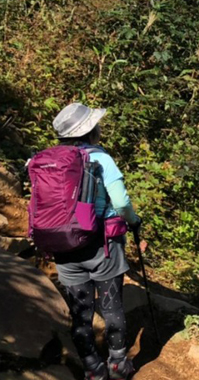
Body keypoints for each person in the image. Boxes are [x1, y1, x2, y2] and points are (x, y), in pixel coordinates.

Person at [50, 103, 141, 380]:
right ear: (90, 131)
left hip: (63, 245)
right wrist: (134, 221)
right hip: (102, 245)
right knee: (111, 306)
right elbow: (122, 202)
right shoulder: (101, 159)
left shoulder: (49, 161)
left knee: (81, 313)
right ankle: (117, 364)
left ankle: (92, 369)